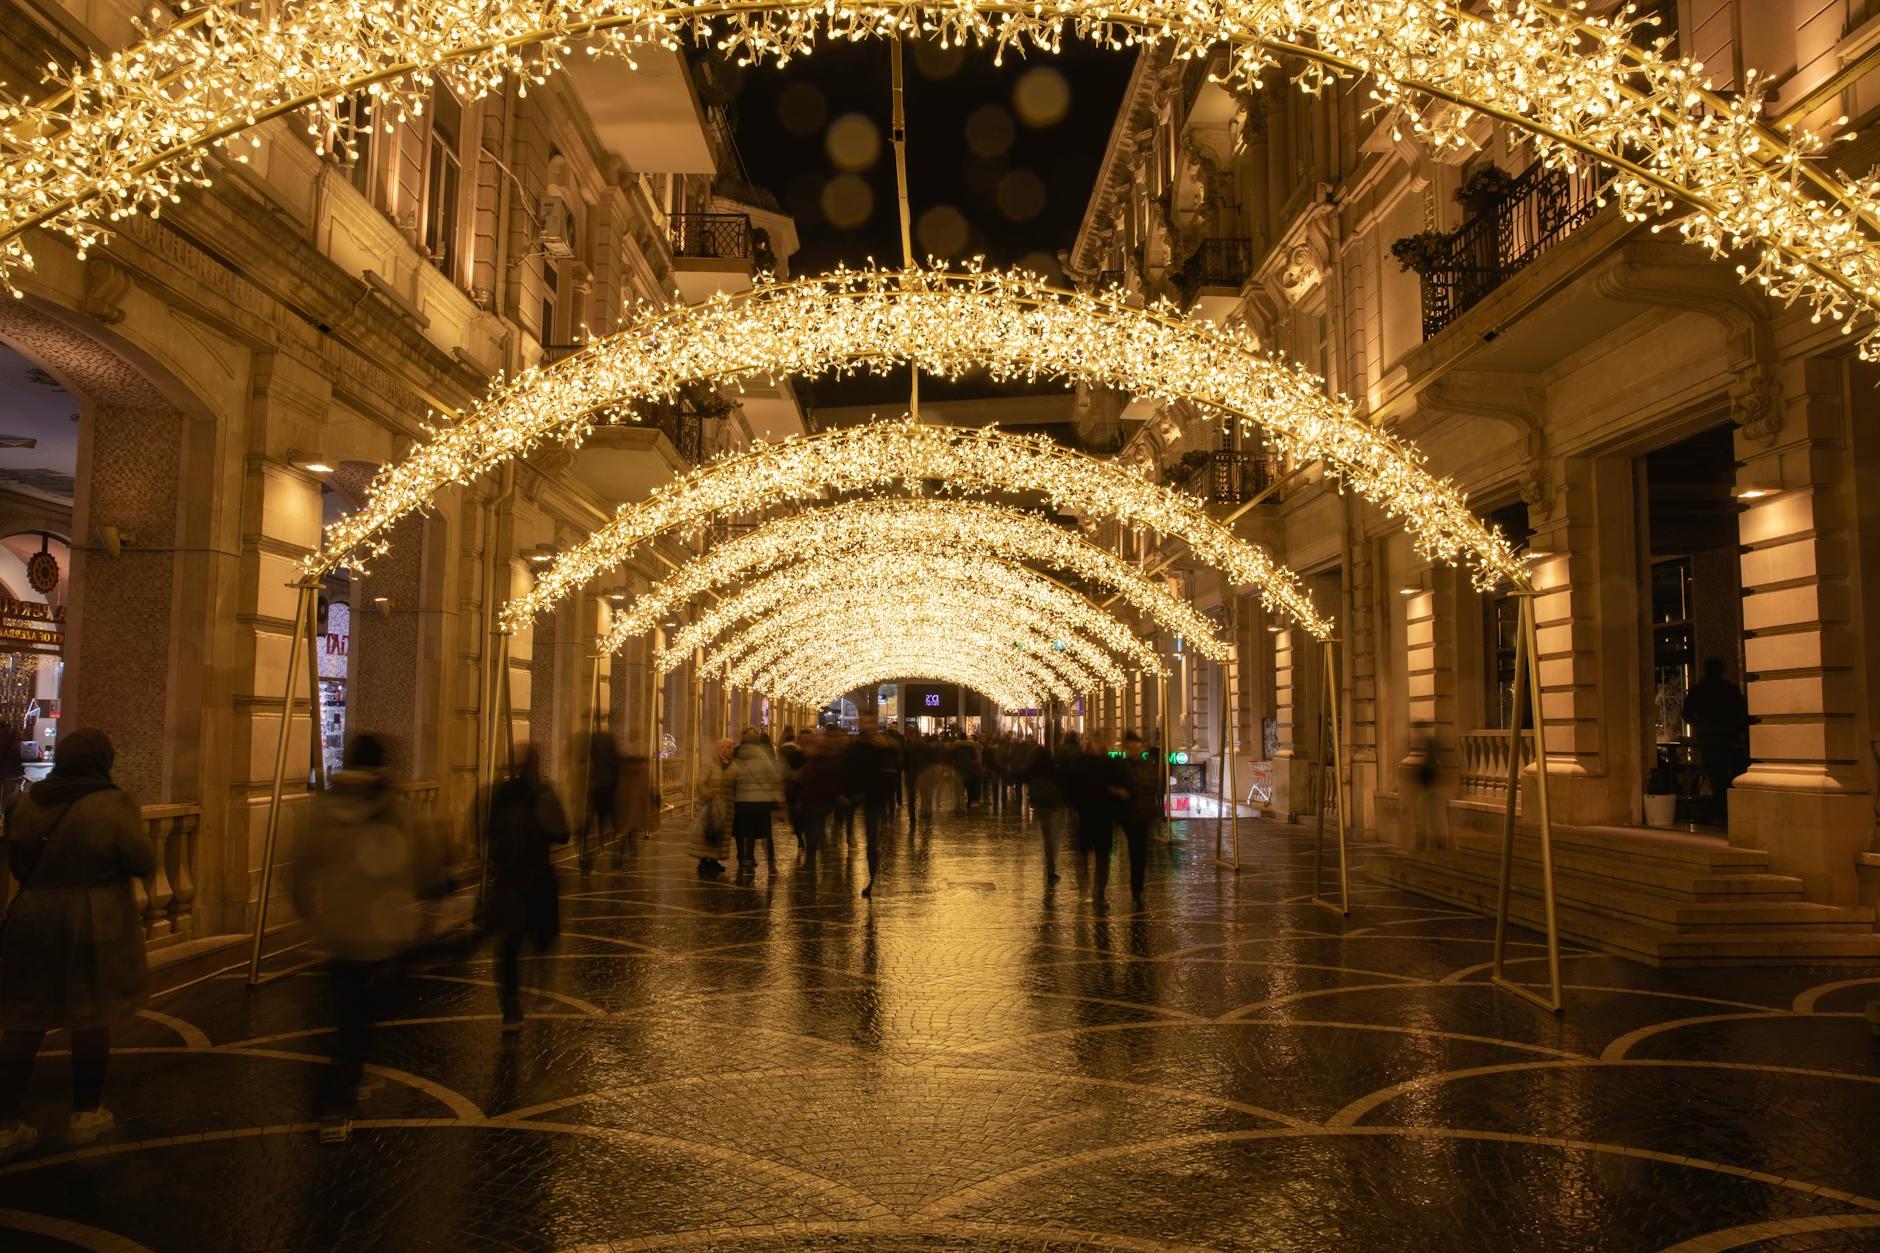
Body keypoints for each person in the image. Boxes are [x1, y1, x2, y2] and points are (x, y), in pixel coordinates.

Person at [0, 729, 155, 1159]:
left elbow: (17, 863)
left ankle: (6, 1123)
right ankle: (86, 1114)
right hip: (93, 917)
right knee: (90, 1016)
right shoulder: (113, 804)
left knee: (22, 1019)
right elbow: (141, 860)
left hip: (32, 917)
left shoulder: (24, 805)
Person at [291, 733, 443, 1142]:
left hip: (338, 932)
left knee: (346, 1014)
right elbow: (428, 866)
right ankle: (335, 1108)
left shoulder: (323, 810)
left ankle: (343, 1086)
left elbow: (300, 869)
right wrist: (428, 909)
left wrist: (311, 914)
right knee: (363, 1019)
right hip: (384, 934)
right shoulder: (397, 810)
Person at [485, 745, 569, 1032]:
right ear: (537, 765)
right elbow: (562, 834)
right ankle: (540, 988)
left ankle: (510, 1009)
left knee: (509, 946)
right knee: (542, 937)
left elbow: (486, 834)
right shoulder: (543, 793)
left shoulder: (501, 794)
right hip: (537, 879)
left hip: (508, 881)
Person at [1683, 658, 1749, 826]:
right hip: (1726, 737)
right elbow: (1740, 713)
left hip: (1709, 737)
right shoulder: (1729, 690)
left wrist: (1698, 725)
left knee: (1716, 776)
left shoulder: (1699, 690)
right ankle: (1724, 812)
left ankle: (1720, 812)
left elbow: (1687, 712)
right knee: (1725, 776)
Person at [1064, 732, 1126, 910]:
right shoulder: (1098, 764)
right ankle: (1094, 891)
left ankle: (1096, 892)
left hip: (1094, 815)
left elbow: (1070, 788)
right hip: (1095, 814)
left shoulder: (1086, 764)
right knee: (1095, 854)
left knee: (1097, 854)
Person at [843, 713, 900, 897]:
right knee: (855, 827)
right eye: (864, 720)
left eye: (869, 720)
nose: (866, 724)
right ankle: (849, 836)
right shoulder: (856, 746)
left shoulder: (882, 747)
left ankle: (871, 879)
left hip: (874, 798)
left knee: (871, 841)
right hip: (857, 795)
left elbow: (894, 768)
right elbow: (848, 768)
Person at [729, 729, 784, 873]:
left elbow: (731, 776)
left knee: (742, 831)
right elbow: (774, 776)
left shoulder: (736, 755)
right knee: (765, 833)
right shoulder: (762, 755)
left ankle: (742, 858)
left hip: (741, 800)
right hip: (761, 800)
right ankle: (770, 861)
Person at [1117, 731, 1160, 911]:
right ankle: (1136, 888)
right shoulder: (1122, 766)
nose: (1135, 750)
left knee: (1141, 853)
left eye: (1138, 746)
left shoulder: (1147, 765)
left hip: (1145, 814)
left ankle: (1138, 886)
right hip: (1130, 815)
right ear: (1127, 749)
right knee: (1136, 851)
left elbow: (1154, 788)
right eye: (1132, 747)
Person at [793, 729, 844, 864]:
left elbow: (810, 780)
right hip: (817, 798)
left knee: (814, 826)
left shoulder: (819, 759)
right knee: (815, 826)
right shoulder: (820, 757)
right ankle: (820, 851)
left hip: (815, 798)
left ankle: (813, 856)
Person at [1023, 736, 1067, 886]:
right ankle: (1051, 867)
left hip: (1040, 804)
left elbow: (1022, 775)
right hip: (1053, 804)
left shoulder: (1033, 771)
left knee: (1047, 835)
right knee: (1052, 837)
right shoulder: (1051, 768)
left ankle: (1050, 865)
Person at [690, 738, 736, 875]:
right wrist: (706, 794)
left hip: (726, 807)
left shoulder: (734, 766)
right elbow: (700, 782)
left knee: (720, 835)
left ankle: (714, 860)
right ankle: (704, 861)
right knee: (707, 833)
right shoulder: (710, 764)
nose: (731, 751)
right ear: (721, 750)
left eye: (732, 748)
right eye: (728, 748)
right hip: (709, 807)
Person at [581, 731, 621, 873]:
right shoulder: (611, 758)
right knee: (610, 824)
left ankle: (587, 857)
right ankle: (615, 857)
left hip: (598, 788)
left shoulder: (596, 755)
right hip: (607, 789)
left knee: (591, 824)